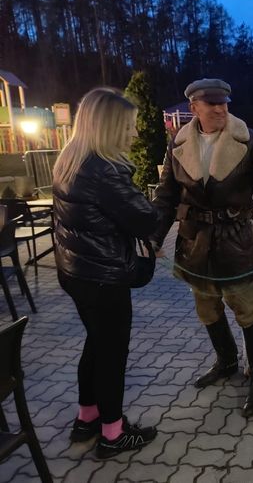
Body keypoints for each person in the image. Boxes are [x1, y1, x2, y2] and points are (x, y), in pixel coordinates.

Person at [151, 78, 253, 417]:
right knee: (207, 309)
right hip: (195, 242)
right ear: (194, 108)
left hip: (237, 240)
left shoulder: (247, 141)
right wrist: (154, 236)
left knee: (247, 310)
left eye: (224, 103)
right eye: (212, 103)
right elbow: (166, 197)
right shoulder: (178, 141)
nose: (220, 109)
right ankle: (227, 361)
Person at [52, 88, 159, 458]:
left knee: (95, 344)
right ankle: (113, 435)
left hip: (76, 272)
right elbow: (145, 217)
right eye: (127, 127)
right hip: (102, 276)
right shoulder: (105, 171)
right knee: (112, 354)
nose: (132, 134)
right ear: (109, 127)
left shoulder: (70, 159)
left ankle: (87, 418)